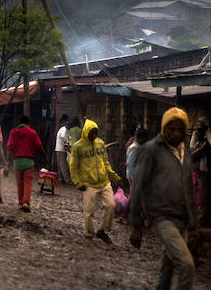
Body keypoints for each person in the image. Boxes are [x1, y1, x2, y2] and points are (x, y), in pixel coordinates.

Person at [129, 107, 197, 289]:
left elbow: (188, 187)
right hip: (161, 217)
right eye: (171, 129)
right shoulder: (151, 150)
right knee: (186, 265)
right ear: (163, 129)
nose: (175, 134)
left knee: (168, 270)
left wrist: (193, 220)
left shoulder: (186, 151)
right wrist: (136, 224)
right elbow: (138, 186)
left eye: (180, 129)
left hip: (182, 217)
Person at [69, 119, 121, 242]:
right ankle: (89, 233)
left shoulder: (100, 143)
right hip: (88, 184)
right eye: (91, 133)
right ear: (86, 132)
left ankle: (102, 230)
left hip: (104, 181)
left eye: (95, 133)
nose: (94, 135)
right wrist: (78, 182)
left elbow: (106, 163)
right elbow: (73, 166)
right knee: (89, 211)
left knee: (110, 205)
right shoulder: (78, 147)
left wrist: (115, 177)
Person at [6, 115, 43, 212]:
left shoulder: (13, 132)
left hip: (17, 162)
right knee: (28, 182)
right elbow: (39, 146)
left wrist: (7, 161)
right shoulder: (32, 132)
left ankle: (20, 202)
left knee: (19, 183)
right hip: (29, 162)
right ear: (28, 123)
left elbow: (9, 148)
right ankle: (26, 202)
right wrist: (45, 157)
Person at [190, 116, 210, 228]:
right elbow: (194, 151)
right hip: (199, 172)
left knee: (202, 200)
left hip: (203, 172)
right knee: (200, 200)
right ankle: (198, 225)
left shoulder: (207, 138)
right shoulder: (197, 137)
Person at [55, 114, 71, 184]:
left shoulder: (61, 129)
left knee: (60, 164)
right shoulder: (64, 129)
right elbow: (63, 136)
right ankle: (67, 179)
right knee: (63, 164)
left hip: (58, 148)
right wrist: (68, 143)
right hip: (61, 149)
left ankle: (60, 178)